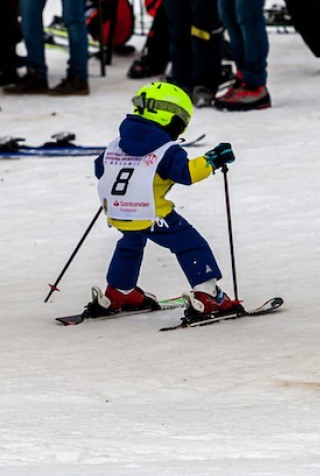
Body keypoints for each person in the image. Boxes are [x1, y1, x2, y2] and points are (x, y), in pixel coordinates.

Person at [84, 82, 240, 320]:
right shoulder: (166, 149)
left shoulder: (117, 144)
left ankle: (120, 291)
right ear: (173, 119)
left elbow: (100, 169)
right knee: (190, 244)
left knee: (130, 244)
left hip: (118, 212)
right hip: (151, 213)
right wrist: (212, 160)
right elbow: (186, 174)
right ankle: (208, 296)